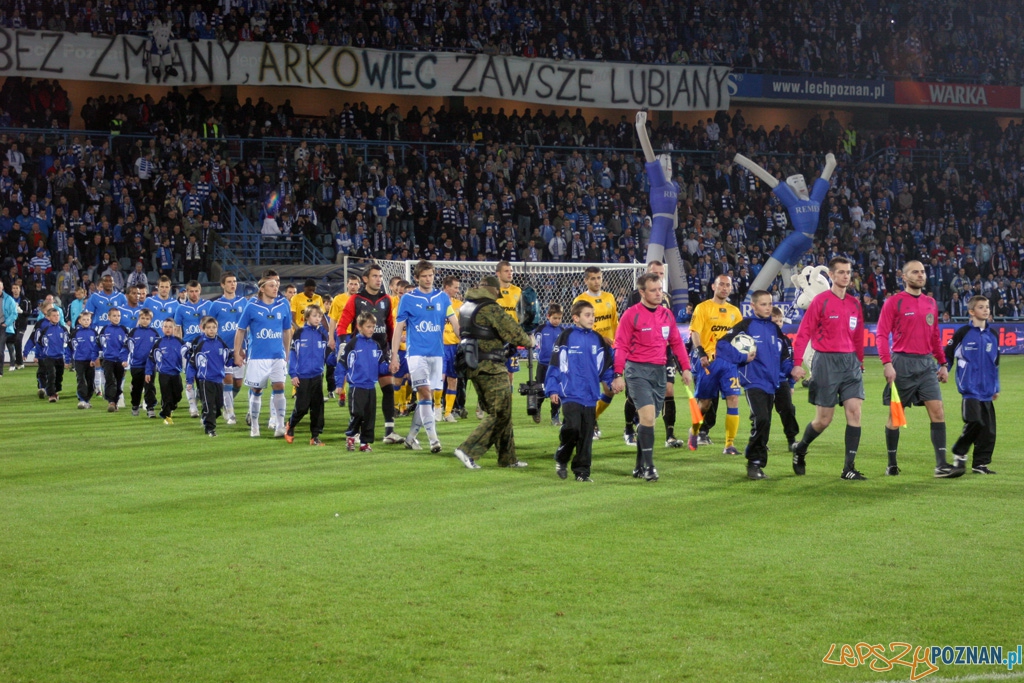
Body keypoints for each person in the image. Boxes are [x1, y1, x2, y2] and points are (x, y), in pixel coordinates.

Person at [875, 260, 957, 477]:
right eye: (915, 272)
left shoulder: (930, 302)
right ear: (904, 276)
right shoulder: (894, 302)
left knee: (938, 411)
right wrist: (887, 363)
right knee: (896, 418)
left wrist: (942, 363)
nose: (920, 275)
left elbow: (934, 336)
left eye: (922, 271)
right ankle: (891, 463)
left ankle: (941, 465)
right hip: (901, 363)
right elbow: (882, 335)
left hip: (926, 365)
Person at [791, 257, 867, 480]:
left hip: (850, 363)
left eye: (848, 272)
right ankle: (801, 448)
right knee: (824, 420)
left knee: (854, 412)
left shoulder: (854, 304)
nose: (846, 276)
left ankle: (848, 468)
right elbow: (804, 333)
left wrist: (860, 362)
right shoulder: (820, 301)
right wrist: (797, 364)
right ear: (831, 276)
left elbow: (858, 336)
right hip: (825, 362)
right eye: (841, 272)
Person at [612, 273, 693, 481]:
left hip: (658, 371)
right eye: (653, 290)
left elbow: (676, 343)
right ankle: (649, 467)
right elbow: (620, 345)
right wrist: (618, 373)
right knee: (647, 417)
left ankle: (639, 466)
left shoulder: (667, 315)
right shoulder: (631, 315)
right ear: (642, 292)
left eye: (660, 289)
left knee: (649, 421)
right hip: (637, 371)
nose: (659, 294)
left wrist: (685, 367)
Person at [454, 275, 535, 470]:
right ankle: (468, 450)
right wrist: (529, 340)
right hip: (491, 366)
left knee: (501, 411)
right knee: (499, 412)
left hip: (473, 366)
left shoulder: (466, 306)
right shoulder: (490, 308)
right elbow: (513, 332)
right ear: (493, 290)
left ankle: (508, 458)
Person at [732, 151, 837, 292]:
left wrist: (830, 158)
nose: (800, 184)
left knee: (787, 267)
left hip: (808, 241)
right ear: (790, 188)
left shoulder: (815, 198)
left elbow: (829, 169)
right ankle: (752, 297)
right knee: (774, 263)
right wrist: (738, 158)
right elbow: (769, 179)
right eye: (795, 182)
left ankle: (790, 297)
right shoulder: (792, 200)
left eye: (801, 181)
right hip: (797, 237)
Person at [715, 291, 792, 479]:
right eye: (764, 304)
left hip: (772, 382)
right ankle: (753, 461)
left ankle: (757, 463)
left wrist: (791, 371)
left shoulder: (775, 329)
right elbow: (722, 345)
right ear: (754, 306)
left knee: (764, 423)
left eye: (769, 304)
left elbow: (784, 356)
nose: (767, 308)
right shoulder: (746, 325)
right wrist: (741, 357)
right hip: (753, 381)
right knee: (762, 419)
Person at [391, 260, 458, 453]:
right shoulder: (408, 299)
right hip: (416, 354)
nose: (428, 279)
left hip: (438, 353)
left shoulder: (442, 298)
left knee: (425, 398)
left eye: (431, 275)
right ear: (417, 278)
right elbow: (398, 329)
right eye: (424, 276)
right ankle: (434, 440)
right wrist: (394, 355)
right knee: (425, 393)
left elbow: (454, 322)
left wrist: (464, 341)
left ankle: (411, 437)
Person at [545, 300, 615, 482]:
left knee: (586, 435)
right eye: (587, 315)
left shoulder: (598, 339)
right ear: (576, 318)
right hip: (570, 393)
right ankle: (562, 456)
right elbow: (555, 365)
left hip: (591, 395)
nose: (592, 318)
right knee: (573, 428)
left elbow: (605, 367)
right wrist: (552, 388)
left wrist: (612, 381)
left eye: (593, 315)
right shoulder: (566, 336)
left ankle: (582, 472)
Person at [621, 260, 684, 447]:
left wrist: (684, 365)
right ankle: (629, 428)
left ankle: (670, 435)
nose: (658, 276)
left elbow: (672, 331)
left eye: (661, 274)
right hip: (639, 358)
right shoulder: (635, 298)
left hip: (664, 354)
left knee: (669, 390)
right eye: (654, 273)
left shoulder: (668, 298)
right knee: (634, 397)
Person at [337, 264, 398, 440]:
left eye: (380, 276)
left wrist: (393, 353)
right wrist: (343, 344)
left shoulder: (386, 299)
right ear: (365, 279)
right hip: (362, 353)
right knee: (360, 393)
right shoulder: (355, 299)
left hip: (381, 350)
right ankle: (355, 431)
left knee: (388, 388)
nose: (379, 279)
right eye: (375, 276)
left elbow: (390, 327)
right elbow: (343, 324)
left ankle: (389, 431)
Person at [688, 275, 743, 454]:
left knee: (733, 398)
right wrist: (701, 352)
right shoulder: (703, 308)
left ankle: (729, 444)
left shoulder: (735, 312)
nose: (725, 288)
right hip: (708, 362)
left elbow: (740, 338)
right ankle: (694, 430)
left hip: (728, 362)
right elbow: (695, 331)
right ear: (713, 286)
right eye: (721, 285)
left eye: (728, 285)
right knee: (705, 403)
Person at [945, 295, 999, 475]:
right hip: (969, 389)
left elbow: (995, 363)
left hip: (987, 390)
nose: (986, 310)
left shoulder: (993, 335)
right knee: (975, 422)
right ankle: (959, 452)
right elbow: (948, 353)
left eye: (987, 307)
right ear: (971, 311)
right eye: (981, 307)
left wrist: (996, 387)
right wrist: (944, 368)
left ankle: (980, 464)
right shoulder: (963, 333)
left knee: (989, 431)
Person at [235, 276, 293, 438]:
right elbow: (240, 330)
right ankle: (254, 426)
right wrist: (237, 353)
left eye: (277, 285)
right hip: (257, 356)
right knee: (257, 390)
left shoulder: (283, 305)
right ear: (262, 288)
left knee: (279, 388)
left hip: (277, 356)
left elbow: (287, 330)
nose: (276, 288)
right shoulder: (251, 306)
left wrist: (287, 353)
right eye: (272, 286)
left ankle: (280, 426)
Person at [572, 266, 619, 439]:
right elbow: (578, 326)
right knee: (590, 391)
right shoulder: (580, 300)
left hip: (608, 351)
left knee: (610, 390)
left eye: (598, 277)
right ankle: (589, 425)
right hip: (588, 351)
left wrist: (618, 343)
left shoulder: (609, 297)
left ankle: (593, 418)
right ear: (586, 280)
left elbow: (615, 322)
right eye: (592, 278)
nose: (596, 281)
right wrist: (599, 337)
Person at [340, 311, 390, 452]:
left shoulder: (375, 345)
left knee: (369, 416)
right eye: (368, 326)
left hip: (371, 387)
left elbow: (381, 366)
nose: (371, 330)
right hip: (357, 386)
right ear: (360, 326)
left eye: (373, 327)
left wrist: (390, 367)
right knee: (358, 414)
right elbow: (342, 365)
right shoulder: (353, 344)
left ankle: (365, 443)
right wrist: (339, 384)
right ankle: (350, 437)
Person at [285, 305, 329, 446]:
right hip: (302, 376)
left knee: (317, 408)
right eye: (315, 316)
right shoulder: (298, 333)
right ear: (307, 317)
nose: (318, 319)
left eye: (320, 316)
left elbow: (327, 356)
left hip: (317, 376)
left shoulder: (323, 334)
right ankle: (291, 425)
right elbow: (292, 354)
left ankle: (315, 437)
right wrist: (293, 374)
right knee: (302, 407)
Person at [207, 272, 246, 425]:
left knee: (238, 383)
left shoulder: (244, 302)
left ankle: (223, 402)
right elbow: (209, 325)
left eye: (234, 281)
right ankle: (229, 412)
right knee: (228, 380)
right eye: (229, 282)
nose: (232, 284)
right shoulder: (215, 305)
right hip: (222, 349)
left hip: (240, 348)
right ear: (222, 285)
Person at [189, 316, 231, 437]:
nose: (211, 330)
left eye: (214, 327)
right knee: (208, 404)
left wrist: (235, 360)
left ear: (217, 329)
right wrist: (190, 379)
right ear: (203, 329)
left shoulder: (220, 342)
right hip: (205, 379)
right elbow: (192, 364)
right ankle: (210, 429)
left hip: (218, 379)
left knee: (218, 406)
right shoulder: (201, 345)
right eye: (209, 328)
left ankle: (206, 417)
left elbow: (228, 357)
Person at [174, 280, 210, 419]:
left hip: (205, 346)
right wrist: (180, 347)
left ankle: (203, 400)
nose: (194, 294)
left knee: (205, 376)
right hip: (189, 346)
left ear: (200, 291)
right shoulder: (181, 309)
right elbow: (178, 329)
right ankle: (192, 407)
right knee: (190, 376)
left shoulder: (208, 305)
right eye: (191, 291)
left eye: (196, 291)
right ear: (187, 292)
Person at [327, 274, 362, 406]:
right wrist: (331, 337)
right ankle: (341, 393)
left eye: (355, 284)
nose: (353, 286)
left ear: (359, 285)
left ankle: (355, 391)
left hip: (358, 336)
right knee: (342, 364)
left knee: (356, 364)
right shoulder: (338, 299)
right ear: (347, 284)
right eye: (351, 284)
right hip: (342, 336)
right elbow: (333, 319)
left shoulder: (361, 299)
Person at [146, 318, 186, 424]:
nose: (168, 329)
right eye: (165, 327)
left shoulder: (179, 342)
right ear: (162, 328)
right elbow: (151, 359)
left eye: (170, 327)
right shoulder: (158, 343)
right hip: (164, 373)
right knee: (166, 395)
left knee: (178, 394)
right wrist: (148, 372)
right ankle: (167, 416)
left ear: (174, 329)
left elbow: (187, 354)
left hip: (176, 373)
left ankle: (169, 408)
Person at [770, 307, 800, 449]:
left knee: (788, 409)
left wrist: (792, 383)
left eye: (780, 321)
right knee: (762, 414)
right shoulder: (760, 339)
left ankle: (791, 439)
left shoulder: (786, 341)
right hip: (764, 381)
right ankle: (760, 441)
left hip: (781, 380)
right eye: (775, 321)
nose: (778, 323)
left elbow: (790, 362)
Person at [494, 260, 523, 400]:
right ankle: (483, 403)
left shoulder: (517, 291)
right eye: (507, 271)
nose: (510, 273)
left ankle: (507, 401)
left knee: (510, 373)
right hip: (495, 339)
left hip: (511, 339)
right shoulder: (491, 291)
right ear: (498, 273)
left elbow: (522, 315)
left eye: (511, 271)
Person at [26, 306, 67, 402]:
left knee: (59, 376)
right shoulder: (45, 330)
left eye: (58, 315)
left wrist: (68, 358)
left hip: (60, 357)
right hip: (48, 357)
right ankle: (51, 394)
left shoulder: (63, 329)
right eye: (54, 316)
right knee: (51, 374)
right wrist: (38, 355)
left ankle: (55, 391)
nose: (56, 317)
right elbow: (39, 344)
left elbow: (68, 344)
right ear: (48, 317)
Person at [534, 304, 565, 426]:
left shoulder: (562, 331)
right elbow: (535, 344)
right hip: (543, 365)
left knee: (556, 391)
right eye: (554, 318)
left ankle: (555, 416)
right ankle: (537, 409)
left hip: (557, 366)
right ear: (548, 316)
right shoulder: (541, 329)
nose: (557, 321)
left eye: (559, 318)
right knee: (540, 390)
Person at [126, 309, 159, 417]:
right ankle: (135, 405)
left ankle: (150, 408)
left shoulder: (154, 333)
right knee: (137, 387)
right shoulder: (133, 332)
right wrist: (124, 359)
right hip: (136, 365)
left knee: (150, 386)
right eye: (143, 318)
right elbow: (127, 347)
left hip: (150, 365)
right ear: (139, 319)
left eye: (147, 319)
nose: (145, 321)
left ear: (151, 320)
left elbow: (157, 349)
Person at [439, 274, 463, 422]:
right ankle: (436, 408)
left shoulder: (460, 306)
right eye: (455, 287)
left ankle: (448, 412)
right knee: (439, 379)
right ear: (447, 287)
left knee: (453, 379)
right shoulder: (436, 302)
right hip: (439, 346)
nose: (457, 290)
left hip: (454, 347)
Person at [98, 307, 130, 412]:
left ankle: (115, 401)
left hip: (120, 361)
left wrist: (125, 359)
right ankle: (111, 402)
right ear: (109, 317)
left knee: (118, 381)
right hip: (108, 359)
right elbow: (100, 344)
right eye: (114, 316)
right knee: (109, 379)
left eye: (118, 316)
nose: (117, 318)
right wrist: (99, 356)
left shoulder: (124, 330)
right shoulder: (104, 329)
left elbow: (127, 346)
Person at [67, 309, 100, 409]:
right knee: (81, 379)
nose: (86, 321)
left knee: (90, 381)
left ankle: (87, 399)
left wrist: (94, 359)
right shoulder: (75, 333)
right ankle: (81, 399)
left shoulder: (94, 333)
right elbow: (69, 347)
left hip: (91, 361)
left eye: (88, 319)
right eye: (84, 319)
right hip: (79, 360)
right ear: (80, 321)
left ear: (90, 321)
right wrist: (67, 360)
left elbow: (98, 347)